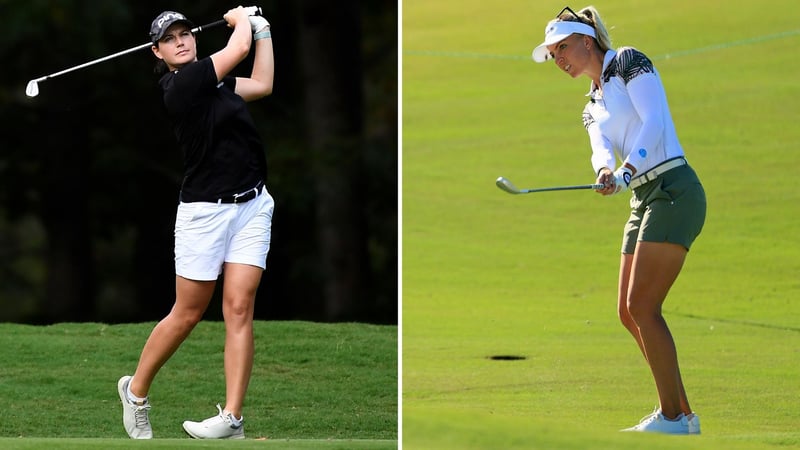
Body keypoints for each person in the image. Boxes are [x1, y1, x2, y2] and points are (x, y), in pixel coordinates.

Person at [531, 6, 706, 435]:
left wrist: (627, 169)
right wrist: (605, 172)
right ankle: (681, 413)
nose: (559, 59)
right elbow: (600, 148)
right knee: (627, 313)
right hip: (643, 197)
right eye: (553, 55)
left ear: (586, 41)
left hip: (673, 189)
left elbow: (655, 120)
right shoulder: (590, 105)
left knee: (643, 306)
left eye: (563, 48)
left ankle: (672, 418)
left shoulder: (628, 60)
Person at [116, 7, 275, 440]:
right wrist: (242, 18)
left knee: (239, 309)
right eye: (171, 39)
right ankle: (136, 392)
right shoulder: (181, 85)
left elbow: (262, 83)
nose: (181, 41)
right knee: (188, 313)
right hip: (205, 213)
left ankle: (232, 419)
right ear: (158, 52)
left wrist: (262, 30)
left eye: (186, 34)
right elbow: (237, 47)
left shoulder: (216, 81)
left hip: (252, 206)